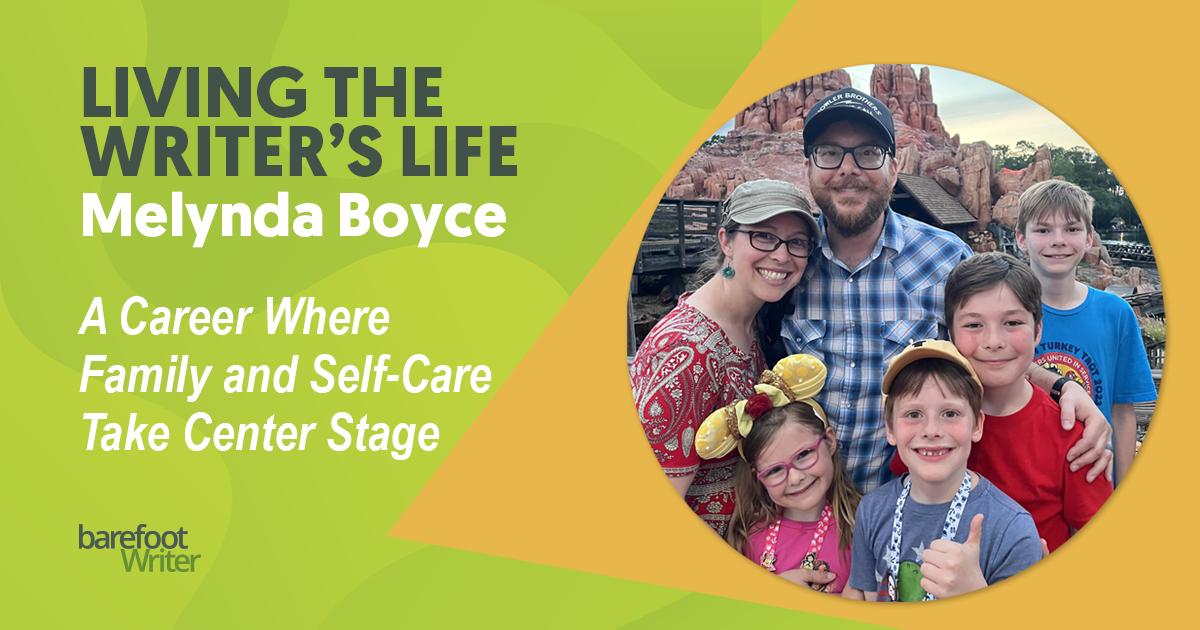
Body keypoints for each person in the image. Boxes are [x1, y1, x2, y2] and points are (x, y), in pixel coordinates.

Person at [775, 87, 1112, 492]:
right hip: (803, 509)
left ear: (894, 169)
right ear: (809, 168)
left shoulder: (945, 256)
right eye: (830, 153)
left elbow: (990, 347)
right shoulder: (788, 260)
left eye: (868, 153)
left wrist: (1062, 386)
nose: (849, 168)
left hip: (911, 507)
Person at [631, 179, 821, 535]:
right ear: (726, 242)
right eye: (763, 235)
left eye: (797, 242)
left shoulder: (752, 325)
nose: (782, 255)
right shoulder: (684, 352)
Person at [847, 340, 1041, 602]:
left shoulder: (1011, 529)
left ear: (977, 425)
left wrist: (976, 595)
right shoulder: (871, 510)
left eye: (950, 413)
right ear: (890, 429)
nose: (931, 430)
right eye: (913, 414)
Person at [943, 253, 1111, 552]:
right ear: (950, 334)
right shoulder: (932, 425)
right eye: (973, 325)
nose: (993, 341)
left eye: (1012, 322)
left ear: (1038, 331)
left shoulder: (1073, 436)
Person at [1016, 180, 1157, 486]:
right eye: (1042, 230)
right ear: (1021, 239)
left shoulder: (1115, 314)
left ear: (1089, 238)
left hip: (1093, 479)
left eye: (1072, 229)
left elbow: (1122, 412)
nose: (1058, 240)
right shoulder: (1005, 315)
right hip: (1026, 480)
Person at [694, 354, 860, 593]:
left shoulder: (862, 528)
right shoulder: (747, 536)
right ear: (757, 476)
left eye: (803, 455)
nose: (795, 478)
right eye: (774, 470)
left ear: (829, 441)